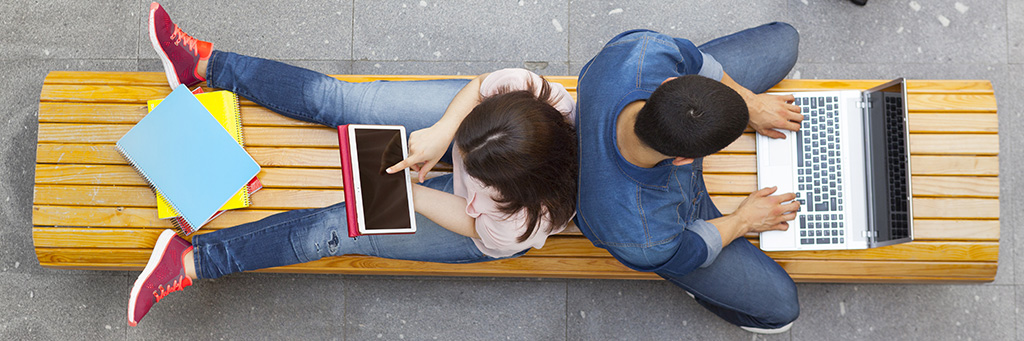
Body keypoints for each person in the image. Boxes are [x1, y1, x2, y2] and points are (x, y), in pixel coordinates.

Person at [128, 2, 577, 326]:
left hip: (475, 222)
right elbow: (480, 89)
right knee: (343, 99)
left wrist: (410, 196)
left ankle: (192, 263)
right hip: (486, 147)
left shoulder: (521, 221)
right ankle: (203, 64)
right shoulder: (538, 96)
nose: (457, 155)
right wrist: (445, 131)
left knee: (337, 232)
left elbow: (476, 226)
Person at [574, 24, 802, 334]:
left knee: (786, 40)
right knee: (782, 311)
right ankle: (700, 290)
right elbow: (685, 253)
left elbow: (693, 60)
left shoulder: (644, 51)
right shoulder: (641, 234)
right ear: (684, 161)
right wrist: (745, 220)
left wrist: (751, 104)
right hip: (682, 218)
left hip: (663, 131)